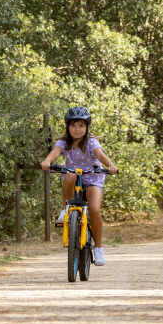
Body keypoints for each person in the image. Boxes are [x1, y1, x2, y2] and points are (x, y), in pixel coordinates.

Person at [40, 105, 119, 266]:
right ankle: (66, 210)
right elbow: (54, 153)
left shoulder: (91, 142)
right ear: (68, 126)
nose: (77, 129)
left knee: (95, 209)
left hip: (93, 177)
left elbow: (100, 155)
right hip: (74, 175)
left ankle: (98, 248)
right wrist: (47, 162)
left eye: (81, 126)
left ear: (87, 127)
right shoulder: (63, 142)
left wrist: (110, 165)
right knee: (70, 175)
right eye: (73, 125)